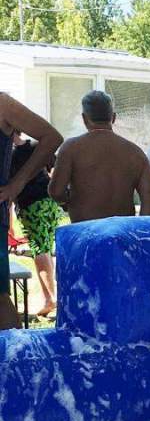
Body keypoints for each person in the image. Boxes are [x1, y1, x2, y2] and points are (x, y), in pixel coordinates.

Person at [0, 92, 62, 330]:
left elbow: (52, 138)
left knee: (0, 298)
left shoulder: (3, 104)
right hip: (33, 206)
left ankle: (15, 355)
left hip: (33, 204)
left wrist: (17, 183)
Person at [49, 90, 150, 223]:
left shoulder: (71, 149)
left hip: (85, 228)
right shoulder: (136, 153)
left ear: (84, 118)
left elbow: (56, 192)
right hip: (122, 230)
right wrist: (141, 230)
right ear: (113, 117)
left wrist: (67, 202)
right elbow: (149, 199)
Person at [10, 134, 64, 317]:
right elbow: (54, 168)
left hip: (30, 205)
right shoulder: (35, 145)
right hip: (49, 202)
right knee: (46, 247)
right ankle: (52, 296)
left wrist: (9, 224)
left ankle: (50, 298)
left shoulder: (8, 155)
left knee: (39, 249)